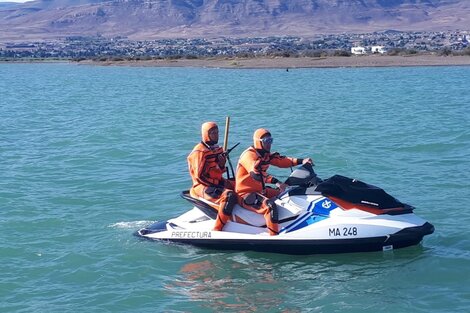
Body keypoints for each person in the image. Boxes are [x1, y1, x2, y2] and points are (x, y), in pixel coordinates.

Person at [236, 128, 312, 236]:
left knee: (288, 194)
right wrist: (276, 181)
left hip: (261, 190)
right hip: (246, 193)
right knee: (270, 206)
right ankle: (274, 236)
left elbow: (281, 161)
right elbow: (256, 174)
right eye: (266, 141)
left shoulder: (265, 155)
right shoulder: (249, 155)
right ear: (259, 142)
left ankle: (298, 223)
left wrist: (301, 161)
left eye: (271, 140)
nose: (269, 144)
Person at [187, 122, 237, 231]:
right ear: (206, 134)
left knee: (240, 185)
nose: (216, 135)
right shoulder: (199, 152)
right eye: (213, 133)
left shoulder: (217, 149)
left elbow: (218, 171)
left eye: (217, 132)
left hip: (216, 181)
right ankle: (218, 228)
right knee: (229, 196)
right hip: (201, 186)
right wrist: (218, 185)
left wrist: (221, 164)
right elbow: (200, 176)